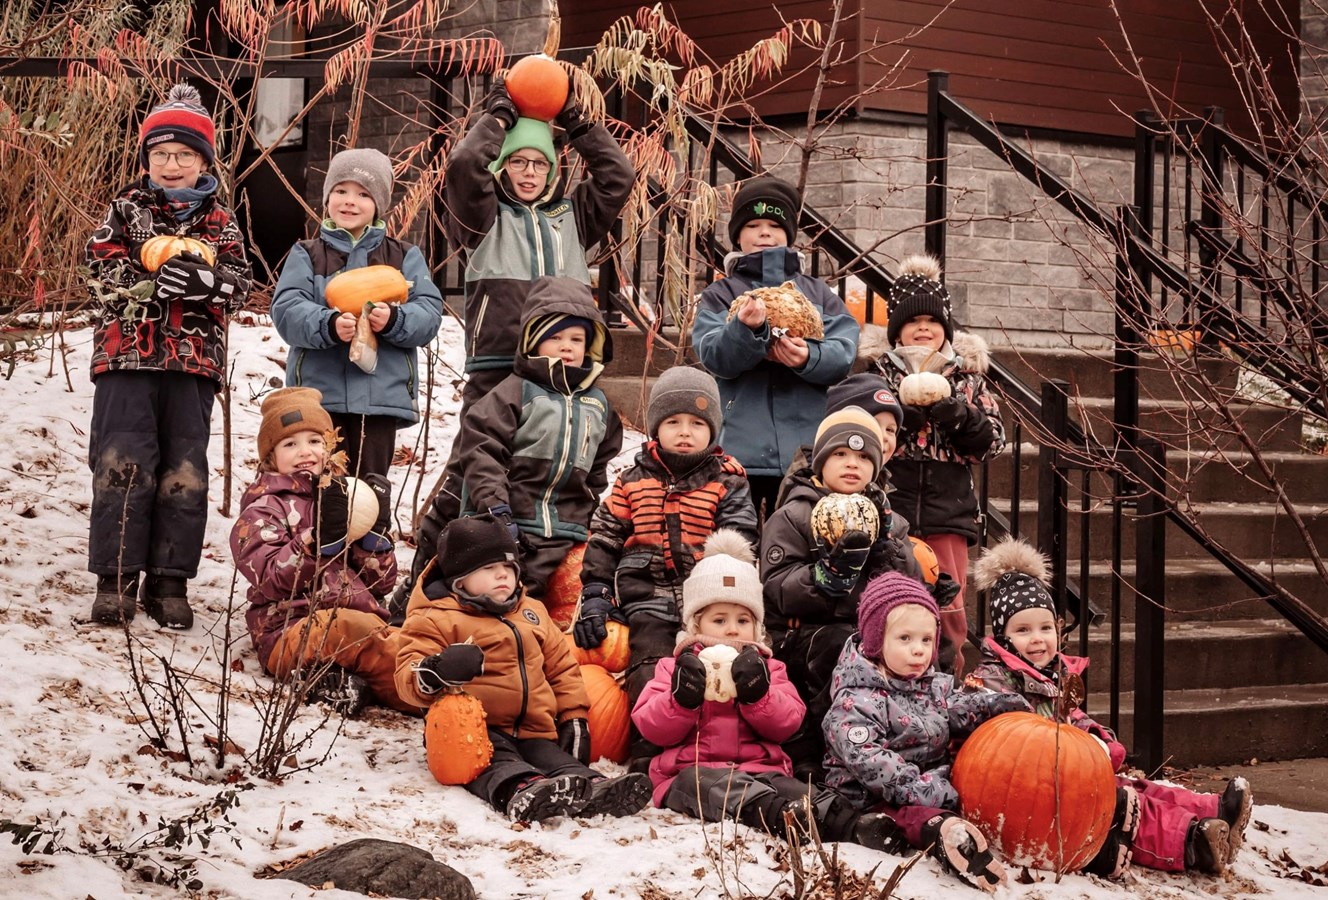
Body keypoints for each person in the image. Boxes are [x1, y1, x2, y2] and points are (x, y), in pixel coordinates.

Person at [402, 73, 636, 599]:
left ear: (554, 169)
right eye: (517, 161)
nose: (529, 172)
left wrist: (574, 119)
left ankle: (519, 589)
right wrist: (502, 114)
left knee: (529, 479)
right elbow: (464, 165)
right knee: (471, 477)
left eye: (539, 163)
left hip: (562, 375)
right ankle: (421, 590)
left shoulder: (574, 217)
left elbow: (616, 173)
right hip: (498, 368)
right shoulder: (482, 217)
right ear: (503, 165)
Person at [966, 538, 1254, 877]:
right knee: (1122, 805)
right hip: (1036, 791)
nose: (1037, 639)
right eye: (1023, 630)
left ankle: (1213, 810)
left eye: (1045, 628)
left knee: (1137, 787)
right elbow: (1001, 736)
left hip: (1070, 773)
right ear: (1003, 638)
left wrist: (1096, 737)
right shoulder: (991, 680)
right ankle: (1191, 842)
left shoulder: (1055, 675)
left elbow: (1074, 717)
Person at [85, 82, 252, 629]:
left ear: (203, 160)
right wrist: (148, 286)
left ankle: (169, 580)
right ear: (147, 160)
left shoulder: (222, 222)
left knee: (184, 470)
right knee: (122, 464)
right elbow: (100, 275)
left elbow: (242, 283)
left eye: (183, 154)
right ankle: (116, 579)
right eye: (161, 155)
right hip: (127, 360)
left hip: (193, 364)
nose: (172, 164)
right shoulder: (125, 212)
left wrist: (209, 284)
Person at [631, 530, 897, 848]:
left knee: (795, 789)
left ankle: (853, 824)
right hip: (692, 772)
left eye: (743, 620)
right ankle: (782, 817)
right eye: (719, 619)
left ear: (756, 627)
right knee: (708, 786)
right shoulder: (676, 668)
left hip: (763, 769)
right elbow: (651, 726)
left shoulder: (769, 667)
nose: (732, 628)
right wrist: (682, 700)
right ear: (696, 626)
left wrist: (759, 694)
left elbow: (789, 722)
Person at [395, 515, 652, 822]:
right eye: (489, 569)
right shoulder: (435, 618)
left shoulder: (532, 612)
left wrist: (574, 716)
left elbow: (562, 669)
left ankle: (594, 788)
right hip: (475, 732)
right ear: (459, 581)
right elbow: (406, 672)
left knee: (554, 758)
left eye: (508, 567)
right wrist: (434, 670)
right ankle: (521, 789)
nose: (502, 575)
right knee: (498, 763)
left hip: (534, 728)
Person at [574, 366, 759, 771]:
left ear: (712, 430)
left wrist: (725, 577)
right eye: (673, 421)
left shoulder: (727, 481)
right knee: (652, 663)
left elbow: (741, 537)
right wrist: (596, 592)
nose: (685, 431)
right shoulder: (632, 480)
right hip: (648, 594)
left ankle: (718, 748)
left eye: (696, 422)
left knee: (720, 663)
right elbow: (605, 536)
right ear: (656, 427)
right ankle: (647, 753)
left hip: (708, 598)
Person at [822, 572, 1030, 892]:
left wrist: (998, 707)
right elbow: (875, 765)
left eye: (926, 639)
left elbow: (958, 708)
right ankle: (943, 833)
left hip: (932, 785)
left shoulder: (930, 685)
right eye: (904, 639)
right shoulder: (856, 700)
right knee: (908, 816)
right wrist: (934, 791)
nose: (918, 650)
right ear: (876, 640)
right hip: (870, 798)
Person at [861, 253, 1005, 676]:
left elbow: (992, 443)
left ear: (945, 328)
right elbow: (867, 436)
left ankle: (947, 687)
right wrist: (905, 418)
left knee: (949, 611)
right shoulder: (879, 374)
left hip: (949, 508)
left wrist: (958, 415)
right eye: (912, 322)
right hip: (893, 503)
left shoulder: (967, 379)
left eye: (932, 321)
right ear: (897, 330)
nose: (923, 328)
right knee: (891, 601)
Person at [230, 388, 414, 716]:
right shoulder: (262, 510)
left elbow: (380, 586)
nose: (306, 452)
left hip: (361, 626)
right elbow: (269, 579)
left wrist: (375, 538)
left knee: (401, 652)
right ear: (270, 456)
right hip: (290, 629)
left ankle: (426, 694)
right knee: (349, 629)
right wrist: (314, 542)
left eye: (315, 441)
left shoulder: (348, 497)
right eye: (290, 444)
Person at [761, 407, 920, 779]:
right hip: (806, 630)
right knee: (837, 646)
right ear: (820, 462)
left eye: (865, 457)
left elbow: (911, 589)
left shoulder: (890, 521)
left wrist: (888, 551)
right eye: (841, 454)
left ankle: (900, 744)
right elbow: (778, 584)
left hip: (869, 630)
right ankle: (816, 752)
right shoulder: (794, 515)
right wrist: (824, 578)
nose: (853, 464)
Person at [691, 175, 859, 521]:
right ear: (738, 235)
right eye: (753, 224)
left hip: (806, 450)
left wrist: (808, 356)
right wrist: (744, 329)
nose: (764, 233)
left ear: (789, 234)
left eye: (773, 224)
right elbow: (714, 356)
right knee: (737, 546)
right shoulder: (720, 295)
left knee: (799, 544)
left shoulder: (818, 294)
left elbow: (844, 353)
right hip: (737, 450)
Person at [270, 147, 444, 481]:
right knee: (324, 487)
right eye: (341, 191)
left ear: (379, 203)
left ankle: (374, 535)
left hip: (380, 399)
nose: (350, 201)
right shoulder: (306, 254)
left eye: (363, 194)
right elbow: (288, 309)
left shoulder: (404, 256)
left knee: (371, 488)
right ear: (328, 197)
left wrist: (395, 320)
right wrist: (329, 324)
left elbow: (429, 313)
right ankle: (327, 536)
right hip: (319, 401)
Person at [453, 277, 623, 598]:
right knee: (512, 596)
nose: (566, 346)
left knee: (565, 599)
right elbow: (482, 449)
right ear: (533, 340)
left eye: (576, 338)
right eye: (554, 336)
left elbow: (599, 464)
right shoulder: (516, 392)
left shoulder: (597, 403)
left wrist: (588, 511)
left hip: (568, 529)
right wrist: (496, 509)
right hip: (512, 524)